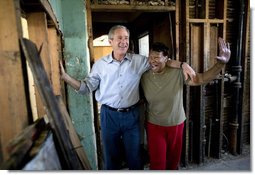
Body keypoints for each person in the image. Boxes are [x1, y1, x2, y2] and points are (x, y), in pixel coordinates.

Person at [59, 25, 195, 170]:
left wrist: (182, 65)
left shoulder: (139, 61)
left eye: (126, 38)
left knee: (135, 156)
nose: (124, 42)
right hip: (108, 115)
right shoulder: (100, 65)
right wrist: (66, 77)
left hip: (132, 115)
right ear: (110, 41)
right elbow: (86, 87)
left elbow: (161, 61)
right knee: (111, 156)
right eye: (119, 38)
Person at [140, 38, 231, 170]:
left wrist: (220, 65)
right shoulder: (144, 76)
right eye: (150, 57)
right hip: (154, 126)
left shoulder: (177, 73)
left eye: (157, 57)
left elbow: (200, 79)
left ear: (166, 58)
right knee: (157, 164)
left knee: (173, 163)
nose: (152, 61)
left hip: (176, 125)